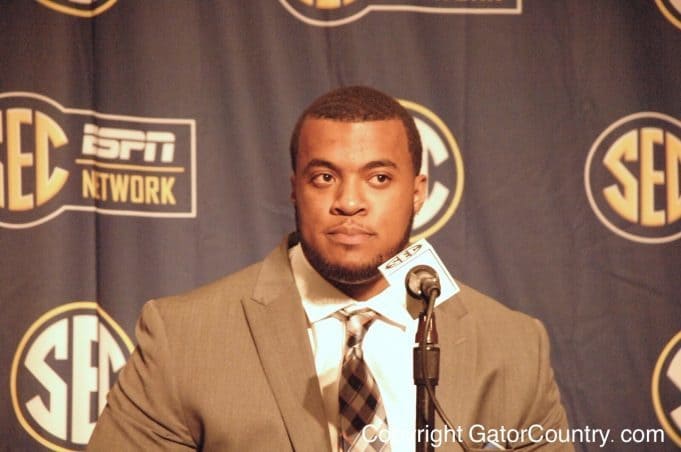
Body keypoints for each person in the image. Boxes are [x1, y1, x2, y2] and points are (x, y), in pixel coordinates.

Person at [88, 86, 572, 451]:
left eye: (379, 178)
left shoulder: (513, 347)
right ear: (295, 188)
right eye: (324, 177)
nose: (349, 202)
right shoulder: (184, 338)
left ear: (418, 191)